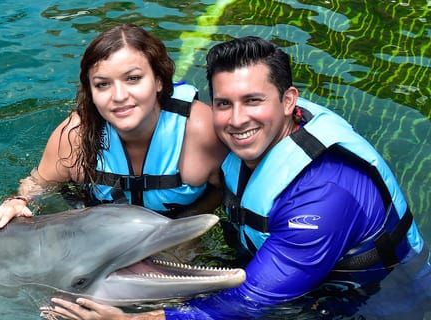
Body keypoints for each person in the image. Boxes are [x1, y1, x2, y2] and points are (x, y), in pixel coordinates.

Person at [42, 36, 426, 319]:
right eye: (224, 103)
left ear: (289, 100)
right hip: (276, 264)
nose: (238, 119)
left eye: (253, 101)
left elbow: (252, 300)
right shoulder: (235, 138)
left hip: (375, 296)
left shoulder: (324, 194)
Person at [0, 24, 227, 231]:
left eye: (133, 79)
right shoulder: (74, 135)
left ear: (159, 80)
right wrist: (18, 202)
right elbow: (39, 183)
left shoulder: (200, 132)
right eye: (103, 84)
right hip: (100, 232)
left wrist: (184, 232)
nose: (119, 96)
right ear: (91, 92)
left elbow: (226, 191)